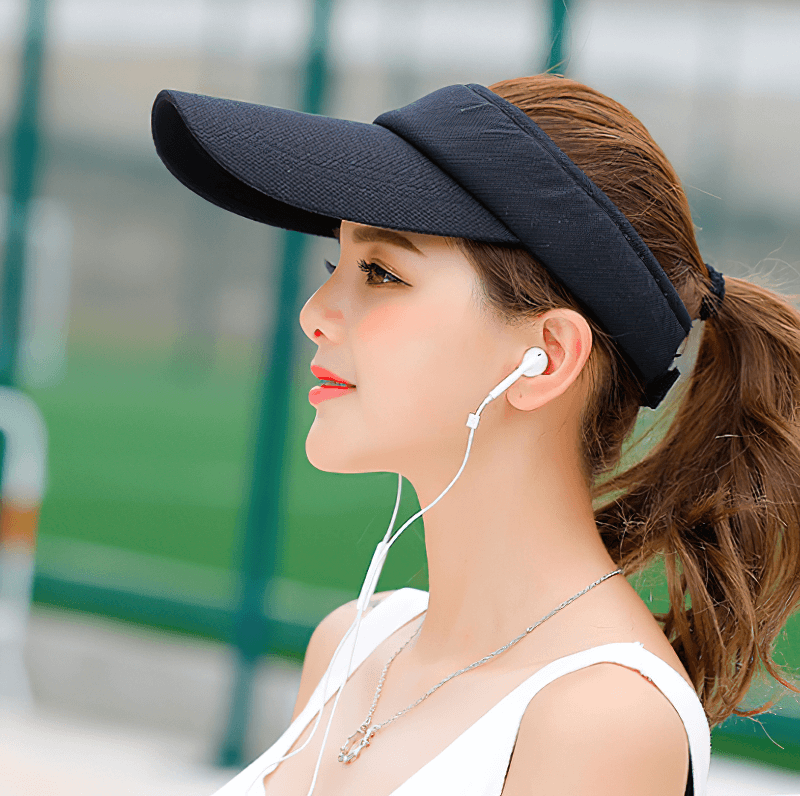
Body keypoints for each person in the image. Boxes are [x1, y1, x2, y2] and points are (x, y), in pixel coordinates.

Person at [150, 74, 800, 796]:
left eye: (380, 272)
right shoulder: (354, 642)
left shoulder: (599, 721)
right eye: (338, 264)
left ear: (546, 358)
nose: (314, 312)